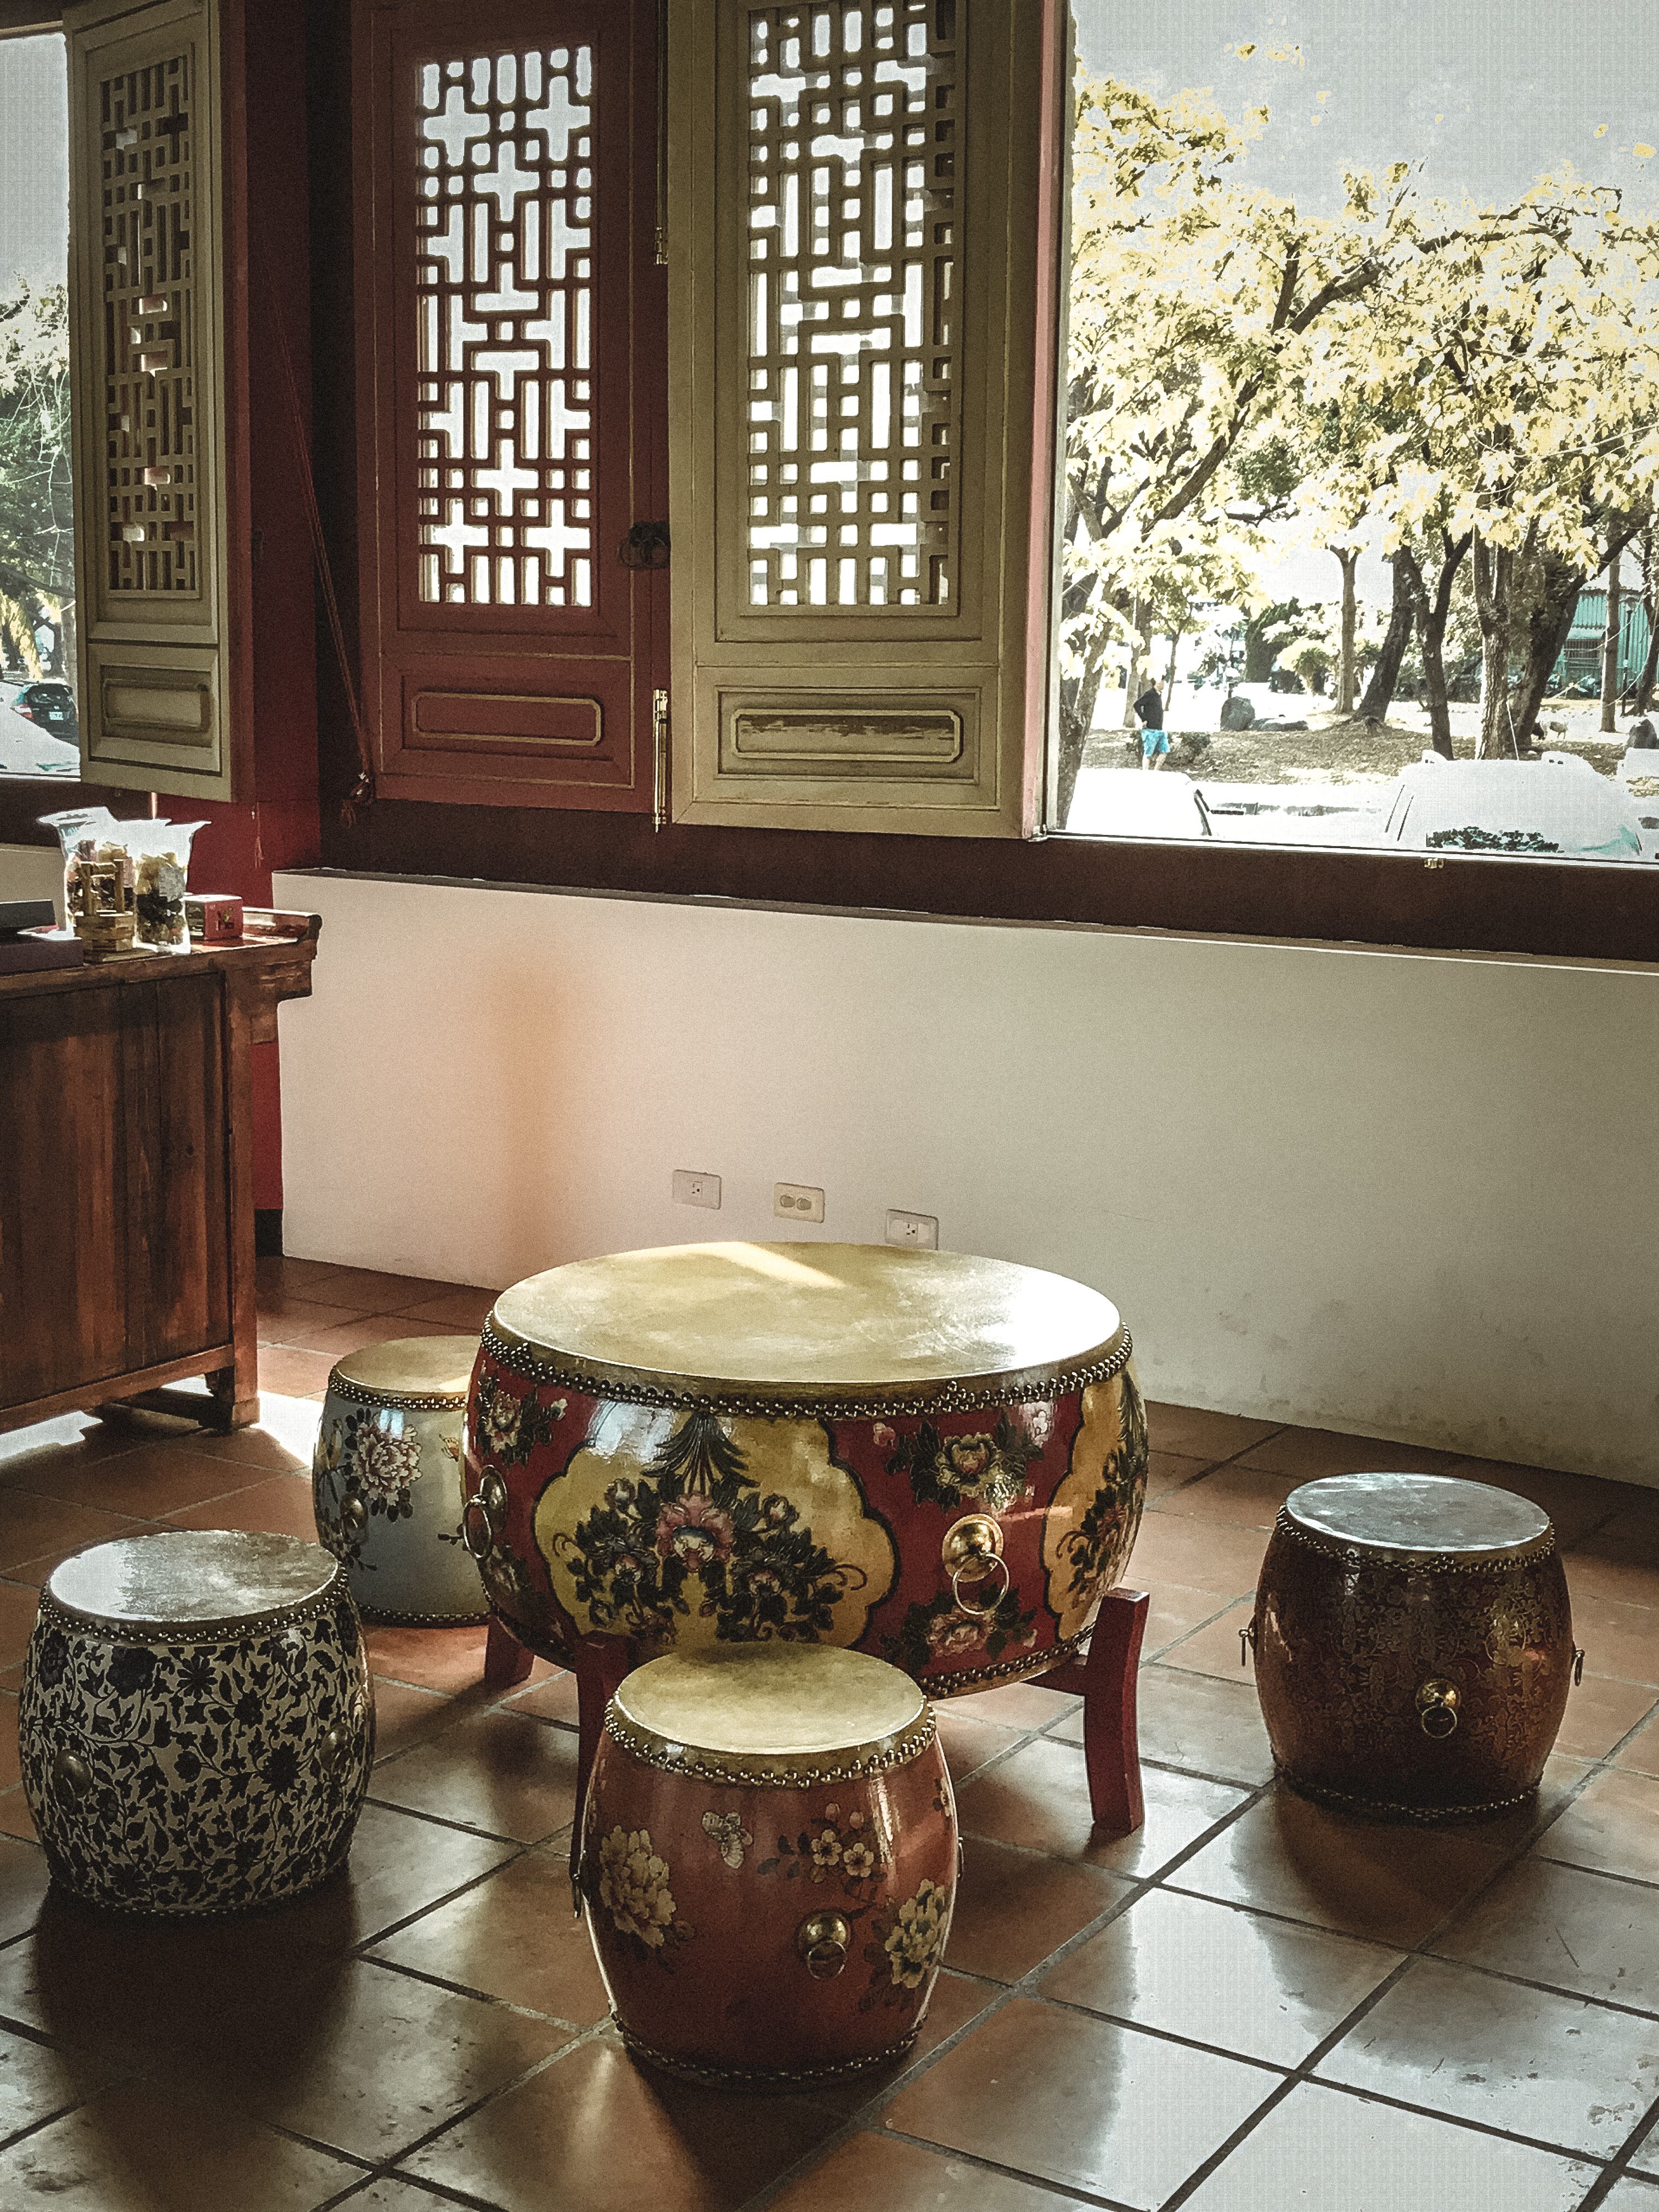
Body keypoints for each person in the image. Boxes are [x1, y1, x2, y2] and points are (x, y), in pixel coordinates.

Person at [1134, 685, 1170, 771]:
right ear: (1157, 682)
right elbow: (1137, 705)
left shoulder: (1159, 695)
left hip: (1159, 729)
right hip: (1150, 730)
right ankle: (1146, 774)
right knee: (1148, 754)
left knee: (1165, 750)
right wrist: (1144, 719)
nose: (1164, 683)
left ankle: (1155, 772)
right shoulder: (1150, 694)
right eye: (1162, 681)